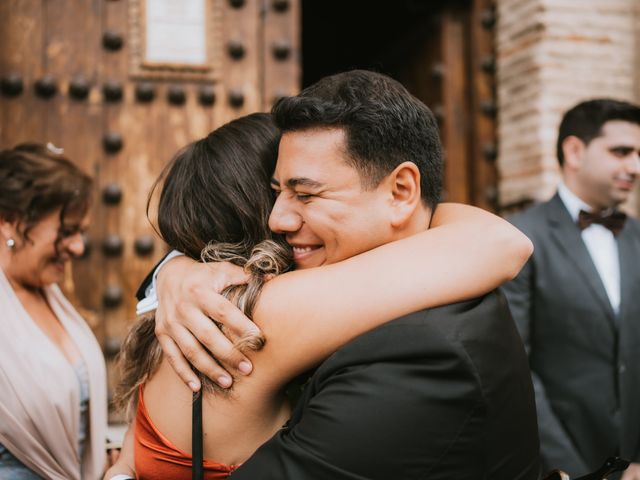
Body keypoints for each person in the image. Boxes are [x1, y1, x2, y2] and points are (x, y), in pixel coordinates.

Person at [127, 70, 541, 479]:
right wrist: (175, 268)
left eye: (305, 194)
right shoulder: (231, 313)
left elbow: (505, 244)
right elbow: (497, 240)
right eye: (275, 194)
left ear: (400, 192)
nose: (279, 219)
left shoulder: (424, 348)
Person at [501, 99, 640, 480]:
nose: (636, 167)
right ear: (574, 151)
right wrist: (573, 471)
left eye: (639, 154)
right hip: (560, 465)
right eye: (621, 152)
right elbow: (514, 369)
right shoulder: (520, 238)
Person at [0, 143, 108, 479]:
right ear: (10, 222)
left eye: (80, 233)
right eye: (66, 232)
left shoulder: (49, 295)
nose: (77, 247)